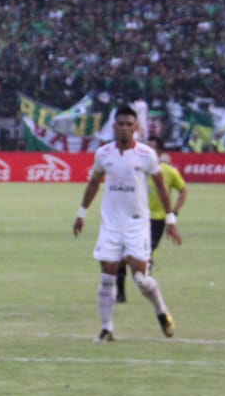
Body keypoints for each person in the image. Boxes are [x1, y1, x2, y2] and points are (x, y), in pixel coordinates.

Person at [72, 105, 181, 342]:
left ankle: (161, 310)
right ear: (114, 126)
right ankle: (106, 328)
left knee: (141, 279)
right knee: (106, 276)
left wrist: (171, 219)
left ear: (136, 127)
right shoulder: (103, 154)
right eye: (120, 124)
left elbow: (162, 187)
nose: (124, 128)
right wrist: (81, 213)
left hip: (136, 225)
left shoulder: (146, 155)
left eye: (129, 124)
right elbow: (93, 183)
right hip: (110, 224)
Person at [114, 140, 186, 304]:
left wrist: (173, 213)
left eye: (153, 149)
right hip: (133, 218)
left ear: (159, 153)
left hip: (156, 220)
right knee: (120, 255)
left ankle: (148, 281)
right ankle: (120, 293)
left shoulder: (169, 172)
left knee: (144, 255)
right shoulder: (134, 170)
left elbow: (183, 191)